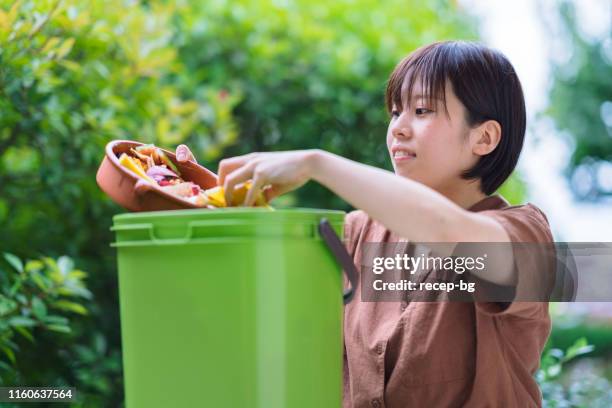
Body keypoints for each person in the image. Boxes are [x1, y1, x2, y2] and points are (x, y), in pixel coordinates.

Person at [176, 40, 554, 407]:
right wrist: (203, 201)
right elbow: (266, 300)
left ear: (484, 137)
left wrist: (316, 164)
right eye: (395, 112)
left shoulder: (526, 236)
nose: (399, 128)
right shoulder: (358, 233)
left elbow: (449, 232)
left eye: (422, 110)